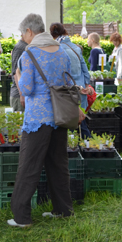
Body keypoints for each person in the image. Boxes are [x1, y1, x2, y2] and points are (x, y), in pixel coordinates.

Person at [9, 13, 79, 227]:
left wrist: (17, 76)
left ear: (30, 31)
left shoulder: (29, 54)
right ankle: (63, 210)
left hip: (38, 119)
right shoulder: (61, 51)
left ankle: (22, 217)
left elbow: (27, 89)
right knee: (58, 165)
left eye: (23, 34)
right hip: (60, 115)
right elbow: (67, 80)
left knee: (29, 166)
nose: (23, 38)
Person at [50, 23, 92, 137]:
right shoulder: (76, 48)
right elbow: (85, 70)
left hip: (68, 90)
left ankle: (79, 146)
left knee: (70, 125)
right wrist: (87, 86)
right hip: (81, 89)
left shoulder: (57, 49)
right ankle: (86, 145)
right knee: (81, 121)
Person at [10, 34, 28, 112]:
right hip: (18, 95)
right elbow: (15, 72)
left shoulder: (26, 46)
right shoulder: (20, 47)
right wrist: (21, 94)